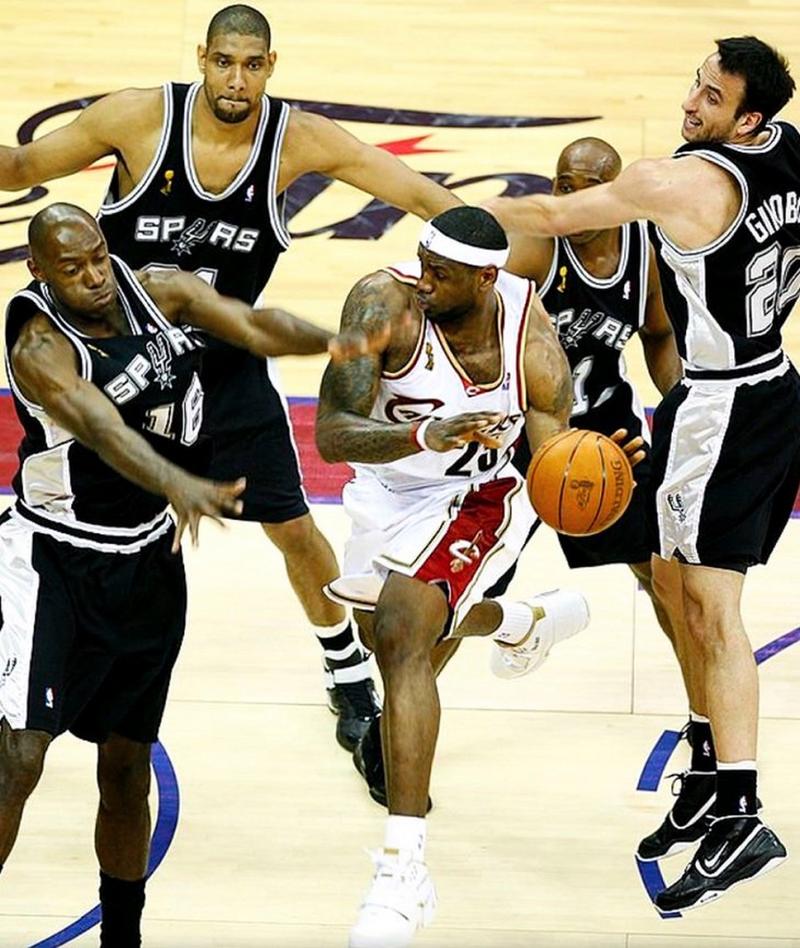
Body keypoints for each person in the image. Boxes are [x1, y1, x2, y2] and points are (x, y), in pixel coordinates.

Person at [0, 4, 462, 751]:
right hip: (124, 365)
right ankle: (31, 662)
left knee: (294, 529)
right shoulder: (139, 119)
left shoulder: (297, 139)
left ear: (270, 68)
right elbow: (20, 169)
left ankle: (345, 669)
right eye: (224, 62)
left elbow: (418, 194)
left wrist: (491, 255)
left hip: (222, 368)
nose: (236, 80)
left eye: (252, 65)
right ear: (202, 59)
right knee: (75, 527)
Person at [0, 203, 384, 947]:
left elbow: (253, 325)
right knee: (19, 757)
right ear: (39, 272)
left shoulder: (158, 290)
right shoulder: (39, 345)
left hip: (148, 562)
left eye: (98, 256)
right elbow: (99, 426)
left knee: (127, 767)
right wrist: (177, 482)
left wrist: (330, 342)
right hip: (54, 563)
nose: (94, 276)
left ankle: (124, 936)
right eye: (73, 268)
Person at [486, 36, 800, 912]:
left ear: (748, 117)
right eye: (695, 85)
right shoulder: (789, 148)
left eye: (712, 98)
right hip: (755, 386)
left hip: (727, 405)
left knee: (712, 610)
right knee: (667, 576)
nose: (691, 103)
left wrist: (437, 210)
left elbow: (547, 215)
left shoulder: (680, 182)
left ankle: (741, 811)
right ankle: (705, 760)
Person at [315, 205, 610, 948]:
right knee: (384, 635)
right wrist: (423, 433)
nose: (424, 281)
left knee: (402, 636)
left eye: (441, 274)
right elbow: (332, 433)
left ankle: (402, 871)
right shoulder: (380, 304)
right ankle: (520, 622)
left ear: (485, 279)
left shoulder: (529, 335)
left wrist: (591, 480)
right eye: (421, 264)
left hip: (478, 497)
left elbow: (552, 456)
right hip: (385, 489)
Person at [487, 136, 682, 664]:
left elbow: (660, 335)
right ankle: (523, 625)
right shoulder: (533, 249)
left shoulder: (647, 253)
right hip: (516, 431)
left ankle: (704, 704)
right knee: (473, 584)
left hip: (605, 432)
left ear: (616, 194)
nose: (571, 201)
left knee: (663, 575)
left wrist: (681, 402)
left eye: (588, 189)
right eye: (563, 187)